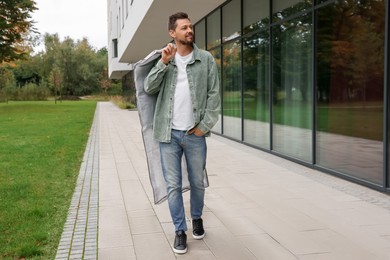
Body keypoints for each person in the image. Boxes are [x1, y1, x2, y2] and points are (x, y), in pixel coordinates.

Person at [144, 12, 220, 254]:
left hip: (194, 134)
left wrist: (203, 127)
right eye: (184, 27)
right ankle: (179, 230)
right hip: (168, 135)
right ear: (172, 33)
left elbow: (214, 96)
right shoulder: (165, 59)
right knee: (173, 186)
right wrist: (163, 63)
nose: (189, 30)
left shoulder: (206, 59)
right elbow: (149, 87)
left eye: (191, 27)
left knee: (197, 182)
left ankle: (196, 217)